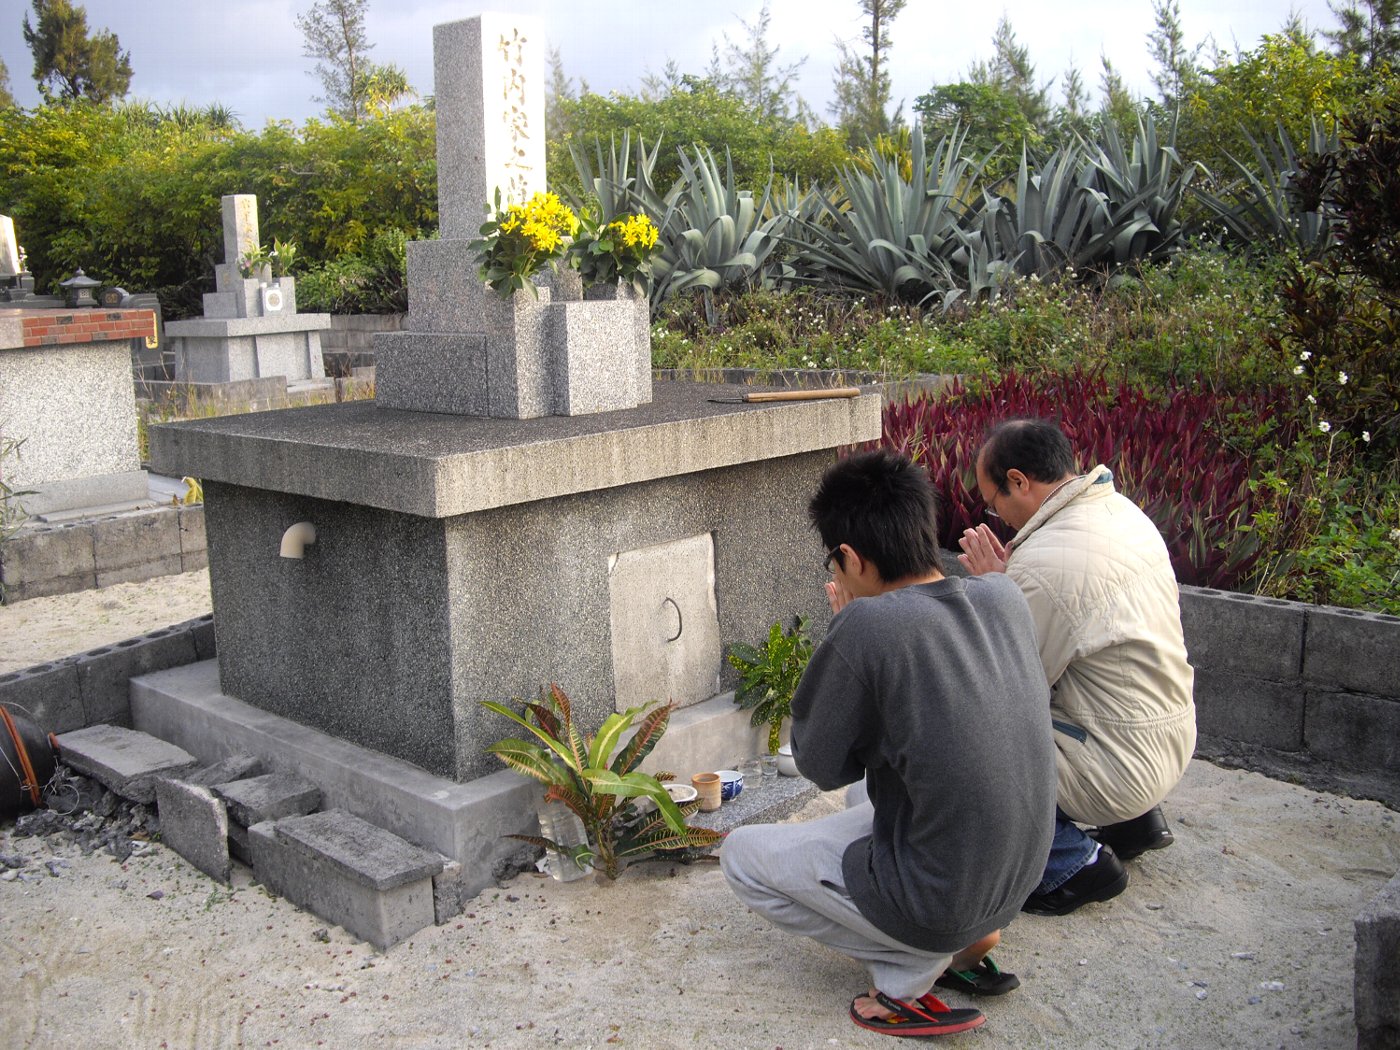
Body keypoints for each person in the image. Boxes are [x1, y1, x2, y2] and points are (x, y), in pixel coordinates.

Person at [721, 449, 1057, 1038]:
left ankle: (909, 971)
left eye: (835, 561)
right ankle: (968, 937)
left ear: (850, 557)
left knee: (741, 856)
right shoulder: (1001, 596)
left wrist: (844, 639)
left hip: (941, 898)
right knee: (868, 805)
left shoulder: (866, 626)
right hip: (1017, 878)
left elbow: (819, 765)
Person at [957, 418, 1197, 917]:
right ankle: (1137, 824)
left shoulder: (1042, 567)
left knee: (957, 757)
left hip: (1115, 768)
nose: (996, 515)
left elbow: (1004, 690)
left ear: (1020, 481)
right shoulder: (1120, 511)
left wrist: (996, 592)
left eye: (994, 500)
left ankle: (1074, 864)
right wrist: (1015, 580)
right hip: (1167, 739)